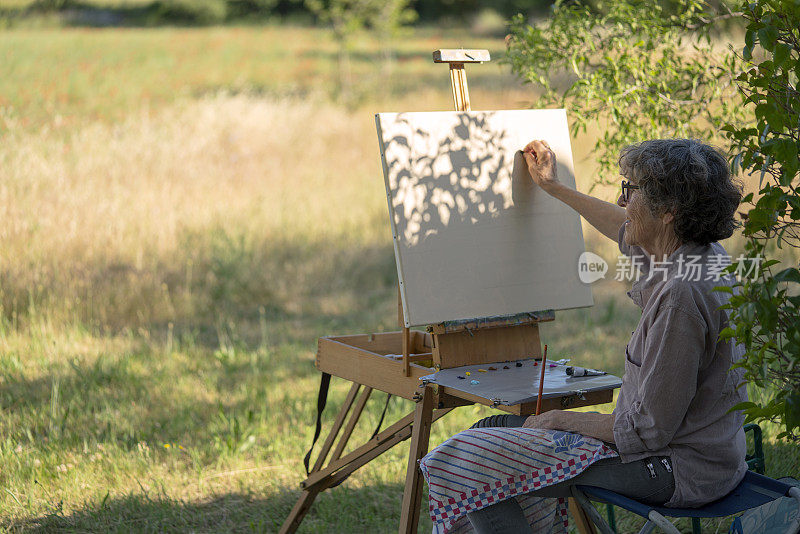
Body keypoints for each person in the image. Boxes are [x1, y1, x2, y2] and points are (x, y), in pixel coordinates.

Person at [465, 139, 748, 533]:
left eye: (631, 191)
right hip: (710, 455)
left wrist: (564, 420)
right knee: (482, 436)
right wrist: (553, 186)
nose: (620, 198)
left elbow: (648, 429)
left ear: (668, 211)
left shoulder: (680, 295)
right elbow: (620, 224)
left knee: (475, 462)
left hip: (678, 467)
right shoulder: (699, 253)